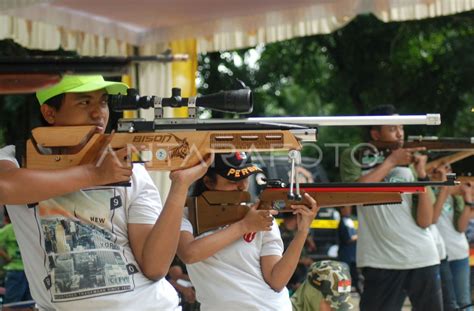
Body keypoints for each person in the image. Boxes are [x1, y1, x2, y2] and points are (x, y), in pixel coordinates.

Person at [1, 75, 211, 310]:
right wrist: (94, 175)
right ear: (50, 113)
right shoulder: (17, 158)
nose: (98, 113)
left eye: (103, 101)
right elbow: (5, 187)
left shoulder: (131, 168)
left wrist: (180, 185)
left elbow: (154, 268)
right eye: (84, 102)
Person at [177, 152, 319, 310]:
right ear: (208, 182)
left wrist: (302, 231)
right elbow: (189, 253)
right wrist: (244, 226)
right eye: (233, 180)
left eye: (245, 178)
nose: (242, 185)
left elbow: (276, 281)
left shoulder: (259, 216)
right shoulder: (188, 215)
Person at [340, 104, 442, 311]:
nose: (400, 134)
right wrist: (391, 162)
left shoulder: (410, 160)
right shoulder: (355, 155)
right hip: (379, 259)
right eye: (393, 129)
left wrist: (421, 175)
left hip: (422, 255)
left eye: (402, 128)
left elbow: (426, 220)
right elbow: (353, 193)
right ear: (375, 132)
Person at [432, 163, 474, 310]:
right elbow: (433, 218)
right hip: (436, 256)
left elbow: (461, 227)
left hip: (459, 253)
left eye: (449, 169)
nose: (446, 172)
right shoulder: (428, 192)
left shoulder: (455, 197)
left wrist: (468, 199)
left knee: (464, 301)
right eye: (441, 168)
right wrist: (442, 180)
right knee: (441, 303)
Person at [0, 209, 32, 307]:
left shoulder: (24, 227)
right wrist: (6, 256)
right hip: (20, 270)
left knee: (27, 303)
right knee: (16, 304)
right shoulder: (22, 228)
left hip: (27, 270)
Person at [336, 205, 360, 294]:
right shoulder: (342, 222)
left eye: (349, 208)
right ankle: (343, 294)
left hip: (352, 254)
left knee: (355, 275)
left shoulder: (350, 221)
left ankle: (360, 291)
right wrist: (360, 236)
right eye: (346, 208)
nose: (348, 210)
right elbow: (348, 239)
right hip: (345, 254)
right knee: (344, 275)